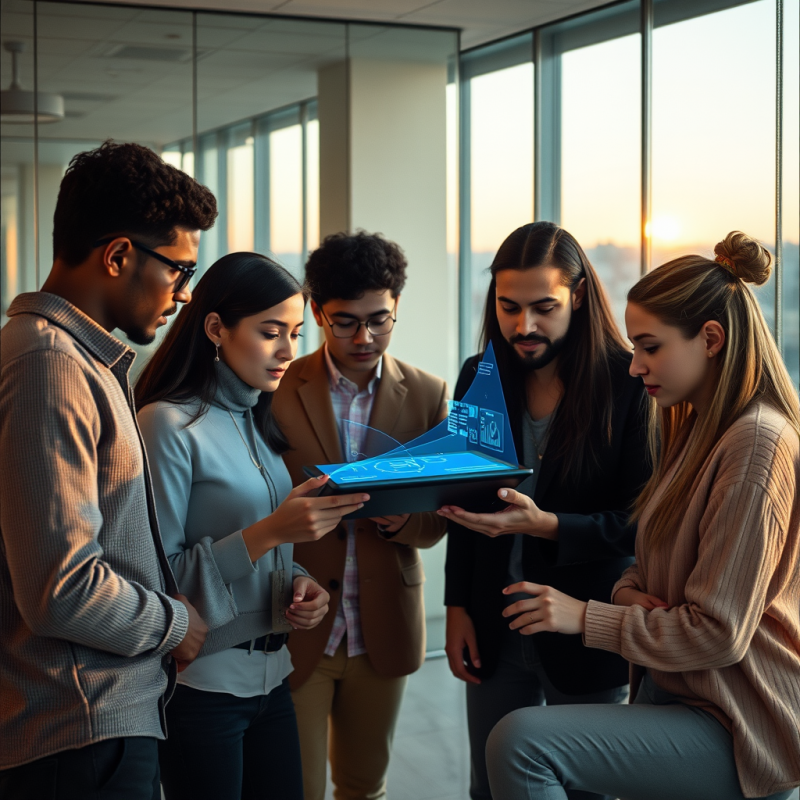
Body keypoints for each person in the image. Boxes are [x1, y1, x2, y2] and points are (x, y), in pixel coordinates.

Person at [484, 231, 800, 800]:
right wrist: (627, 591)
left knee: (520, 743)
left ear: (711, 339)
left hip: (738, 718)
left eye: (650, 347)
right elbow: (650, 550)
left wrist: (585, 616)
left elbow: (719, 634)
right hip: (678, 690)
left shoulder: (756, 446)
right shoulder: (694, 429)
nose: (634, 367)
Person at [0, 141, 217, 800]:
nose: (184, 294)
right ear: (119, 255)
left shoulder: (69, 358)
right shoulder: (51, 365)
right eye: (179, 269)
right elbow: (62, 589)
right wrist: (175, 624)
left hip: (87, 726)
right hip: (79, 731)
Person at [135, 252, 369, 800]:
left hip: (274, 677)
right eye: (270, 333)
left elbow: (255, 541)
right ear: (216, 328)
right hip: (201, 688)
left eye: (295, 333)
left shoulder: (257, 417)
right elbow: (157, 577)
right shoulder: (167, 423)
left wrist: (299, 581)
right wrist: (274, 533)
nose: (288, 351)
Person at [439, 221, 651, 800]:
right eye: (509, 307)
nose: (523, 326)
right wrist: (456, 606)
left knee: (586, 790)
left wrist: (546, 526)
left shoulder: (630, 384)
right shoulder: (477, 377)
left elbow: (639, 524)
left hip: (585, 628)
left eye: (543, 307)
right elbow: (464, 504)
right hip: (494, 623)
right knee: (490, 787)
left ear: (578, 296)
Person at [271, 231, 449, 800]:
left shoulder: (427, 394)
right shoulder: (276, 388)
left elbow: (441, 515)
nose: (364, 337)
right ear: (318, 313)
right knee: (298, 787)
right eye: (346, 322)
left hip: (383, 624)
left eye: (380, 320)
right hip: (295, 619)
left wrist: (403, 520)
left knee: (365, 785)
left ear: (396, 307)